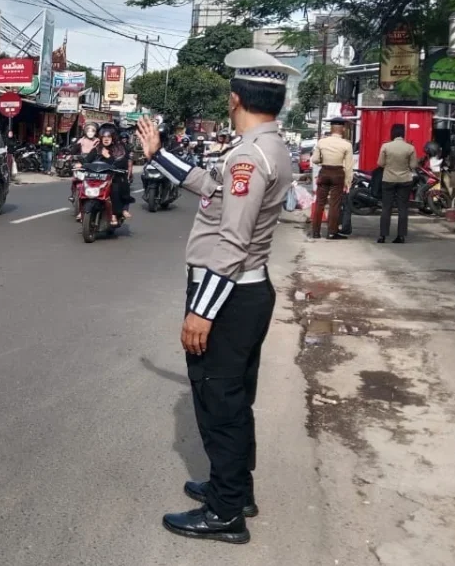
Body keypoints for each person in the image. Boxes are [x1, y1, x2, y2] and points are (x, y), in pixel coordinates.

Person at [136, 48, 297, 545]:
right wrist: (158, 154)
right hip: (247, 292)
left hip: (228, 295)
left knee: (218, 401)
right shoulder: (270, 147)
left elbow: (233, 239)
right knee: (234, 397)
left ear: (235, 98)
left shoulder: (249, 154)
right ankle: (234, 490)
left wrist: (200, 311)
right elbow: (213, 187)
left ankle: (226, 514)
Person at [309, 118, 354, 240]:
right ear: (343, 129)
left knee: (320, 202)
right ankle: (331, 232)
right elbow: (349, 166)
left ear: (331, 129)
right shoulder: (347, 145)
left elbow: (315, 160)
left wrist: (324, 160)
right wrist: (348, 181)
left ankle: (316, 232)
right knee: (335, 204)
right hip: (338, 173)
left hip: (324, 172)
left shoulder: (322, 142)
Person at [378, 124, 418, 244]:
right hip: (404, 180)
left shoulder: (386, 146)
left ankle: (383, 236)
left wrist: (389, 166)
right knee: (402, 208)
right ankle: (401, 236)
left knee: (386, 208)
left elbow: (380, 163)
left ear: (392, 133)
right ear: (403, 133)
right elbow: (413, 166)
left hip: (388, 179)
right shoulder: (410, 148)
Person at [95, 125, 134, 225]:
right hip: (99, 176)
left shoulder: (119, 148)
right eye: (104, 137)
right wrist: (80, 163)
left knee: (115, 189)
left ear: (113, 137)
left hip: (114, 176)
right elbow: (89, 159)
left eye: (108, 137)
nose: (106, 139)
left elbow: (119, 163)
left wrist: (108, 156)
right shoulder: (98, 147)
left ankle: (115, 214)